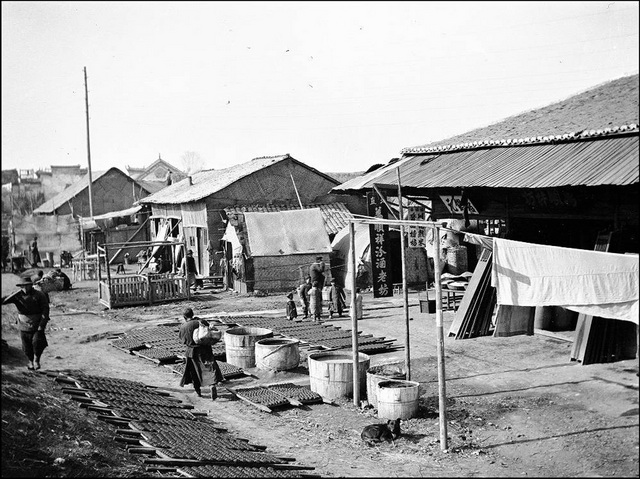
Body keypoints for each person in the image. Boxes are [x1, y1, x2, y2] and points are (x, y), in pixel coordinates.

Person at [2, 276, 50, 370]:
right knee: (26, 345)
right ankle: (30, 362)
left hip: (37, 323)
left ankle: (37, 360)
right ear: (20, 286)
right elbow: (4, 300)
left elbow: (45, 310)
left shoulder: (39, 295)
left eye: (27, 285)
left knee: (37, 342)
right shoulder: (16, 296)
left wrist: (42, 324)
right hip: (23, 324)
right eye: (22, 286)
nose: (25, 288)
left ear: (31, 285)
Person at [178, 307, 223, 398]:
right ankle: (212, 384)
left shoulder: (183, 327)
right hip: (205, 349)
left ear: (184, 317)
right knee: (209, 367)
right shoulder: (201, 322)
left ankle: (198, 391)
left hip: (192, 352)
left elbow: (183, 341)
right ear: (192, 314)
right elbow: (210, 332)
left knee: (194, 371)